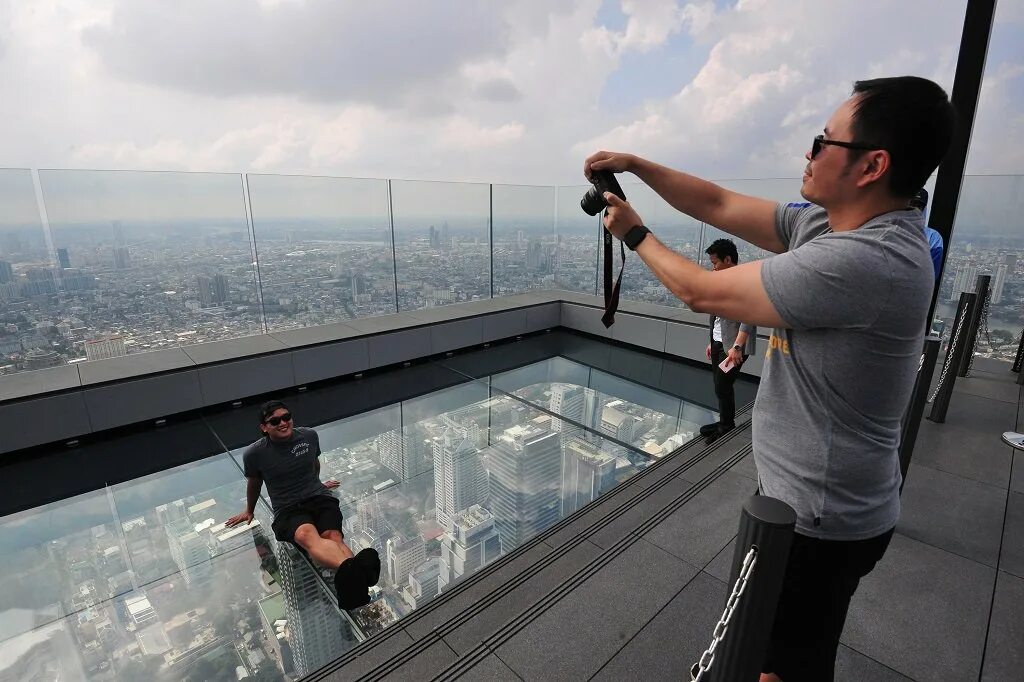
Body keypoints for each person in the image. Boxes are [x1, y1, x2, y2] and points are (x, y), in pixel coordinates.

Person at [585, 75, 955, 682]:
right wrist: (637, 164)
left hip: (820, 520)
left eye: (823, 140)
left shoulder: (863, 261)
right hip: (814, 505)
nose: (808, 153)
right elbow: (719, 205)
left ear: (872, 166)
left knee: (771, 667)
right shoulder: (833, 226)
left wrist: (633, 233)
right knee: (787, 656)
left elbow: (699, 290)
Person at [227, 400, 380, 610]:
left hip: (318, 497)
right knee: (305, 535)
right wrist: (249, 510)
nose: (283, 423)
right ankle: (359, 576)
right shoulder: (255, 454)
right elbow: (255, 482)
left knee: (333, 537)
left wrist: (318, 484)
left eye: (286, 417)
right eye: (275, 420)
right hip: (288, 508)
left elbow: (313, 463)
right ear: (264, 427)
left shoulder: (308, 436)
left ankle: (354, 585)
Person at [700, 238, 757, 444]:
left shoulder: (744, 283)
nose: (713, 268)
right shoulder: (723, 281)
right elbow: (718, 317)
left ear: (728, 259)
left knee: (722, 385)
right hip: (719, 343)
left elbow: (749, 317)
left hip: (734, 347)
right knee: (720, 385)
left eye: (715, 263)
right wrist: (713, 341)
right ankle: (725, 421)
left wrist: (737, 347)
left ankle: (726, 425)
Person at [909, 187, 944, 279]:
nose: (914, 209)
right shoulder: (888, 227)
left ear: (924, 209)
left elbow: (932, 273)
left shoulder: (933, 237)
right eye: (911, 204)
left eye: (919, 206)